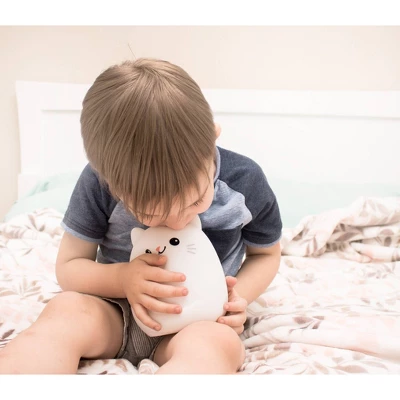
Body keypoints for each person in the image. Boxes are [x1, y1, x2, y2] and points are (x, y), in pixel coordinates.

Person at [0, 58, 282, 374]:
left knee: (218, 344)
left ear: (212, 137)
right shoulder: (97, 183)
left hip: (195, 322)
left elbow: (266, 254)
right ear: (109, 179)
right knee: (64, 311)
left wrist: (235, 298)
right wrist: (123, 279)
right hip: (114, 312)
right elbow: (69, 267)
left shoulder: (245, 182)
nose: (178, 223)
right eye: (150, 214)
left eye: (194, 201)